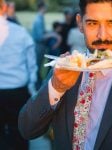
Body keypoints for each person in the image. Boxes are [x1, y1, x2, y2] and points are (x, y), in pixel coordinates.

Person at [18, 0, 112, 150]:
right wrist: (56, 87)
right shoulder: (64, 69)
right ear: (80, 23)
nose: (102, 35)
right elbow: (27, 129)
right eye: (92, 23)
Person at [0, 0, 37, 149]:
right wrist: (32, 87)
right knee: (19, 132)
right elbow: (32, 63)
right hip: (17, 91)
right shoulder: (20, 32)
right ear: (4, 7)